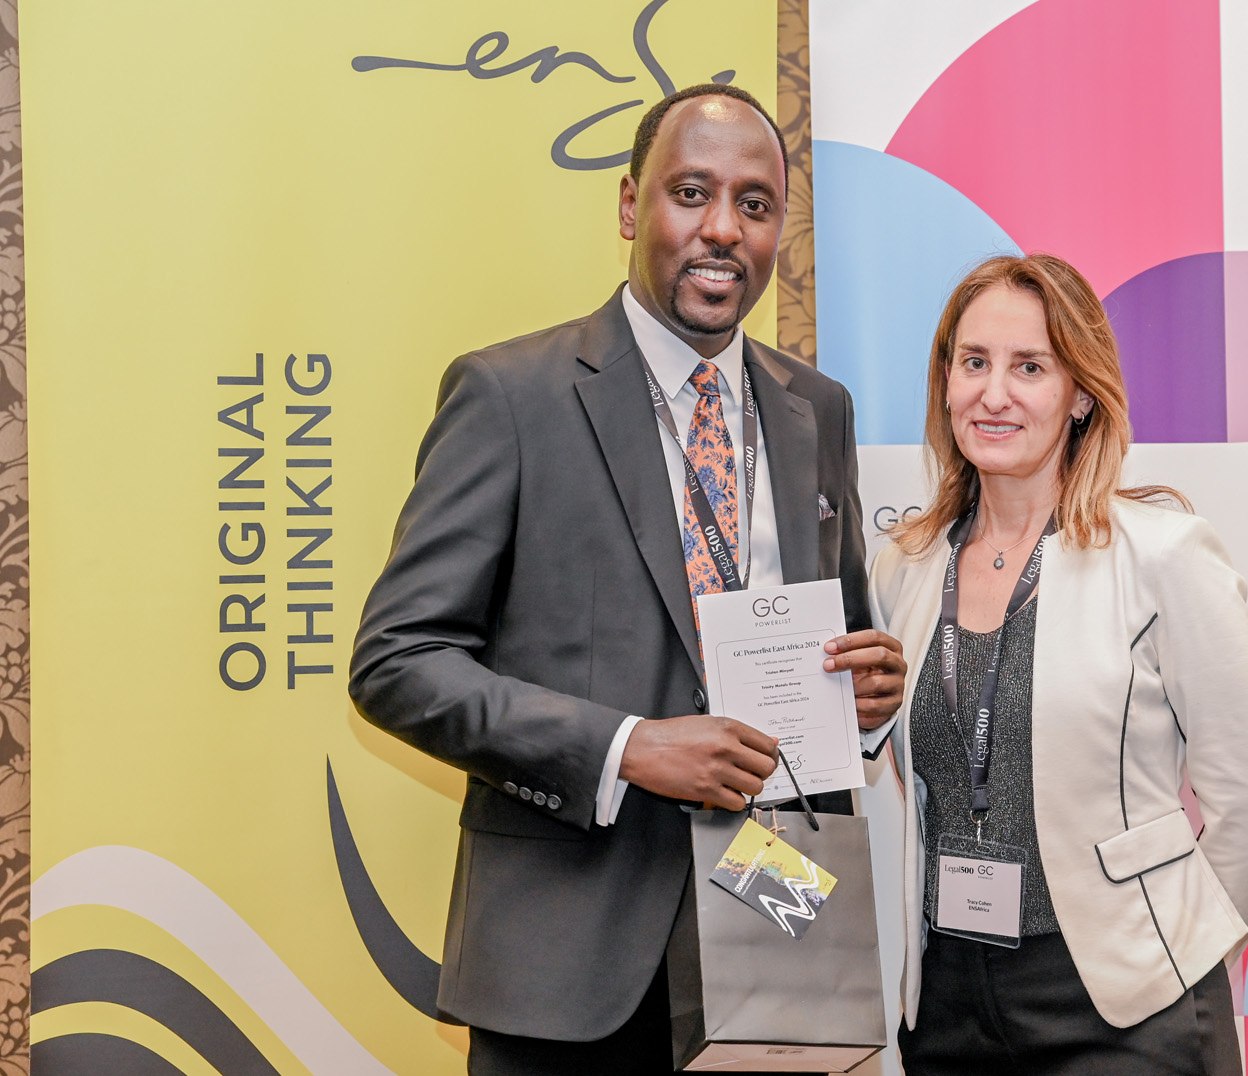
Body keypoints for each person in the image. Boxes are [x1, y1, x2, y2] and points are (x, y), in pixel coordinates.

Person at [349, 83, 905, 1075]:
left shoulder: (815, 409)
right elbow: (397, 662)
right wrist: (627, 747)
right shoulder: (511, 396)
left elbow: (837, 629)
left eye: (754, 204)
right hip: (567, 972)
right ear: (627, 206)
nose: (723, 228)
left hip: (776, 939)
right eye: (691, 193)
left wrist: (863, 704)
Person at [860, 254, 1248, 1075]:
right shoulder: (903, 568)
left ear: (1080, 394)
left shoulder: (1162, 555)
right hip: (948, 1003)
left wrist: (1178, 959)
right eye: (974, 362)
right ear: (945, 383)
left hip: (1123, 1003)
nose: (994, 394)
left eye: (1030, 367)